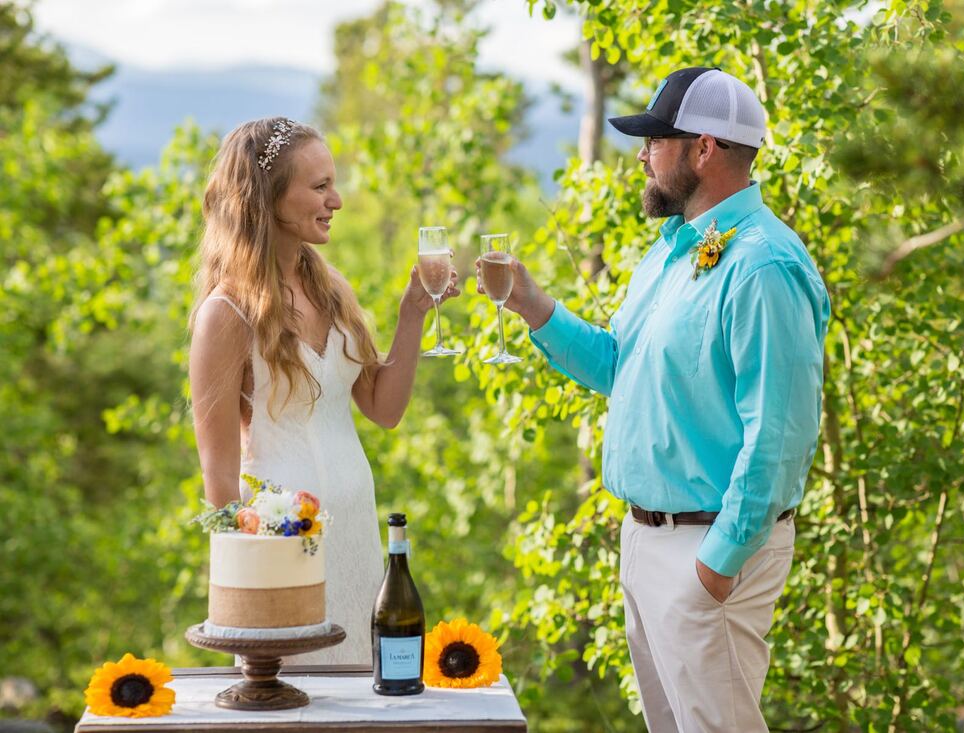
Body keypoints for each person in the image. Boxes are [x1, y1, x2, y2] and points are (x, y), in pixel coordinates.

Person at [486, 68, 830, 732]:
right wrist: (532, 305)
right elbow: (621, 366)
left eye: (654, 141)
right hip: (646, 541)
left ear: (704, 148)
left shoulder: (764, 266)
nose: (642, 156)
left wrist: (716, 566)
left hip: (709, 548)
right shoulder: (669, 252)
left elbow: (779, 435)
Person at [188, 117, 458, 664]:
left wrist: (412, 314)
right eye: (319, 186)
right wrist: (252, 593)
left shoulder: (331, 288)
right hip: (280, 555)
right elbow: (218, 480)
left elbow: (384, 409)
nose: (336, 200)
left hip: (355, 534)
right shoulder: (225, 313)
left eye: (333, 183)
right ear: (267, 197)